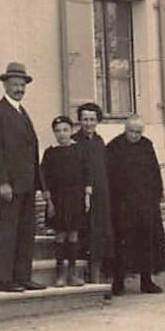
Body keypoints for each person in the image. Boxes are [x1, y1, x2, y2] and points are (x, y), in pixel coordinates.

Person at [0, 62, 45, 292]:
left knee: (27, 231)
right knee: (9, 231)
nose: (19, 88)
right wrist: (3, 182)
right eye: (15, 84)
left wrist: (38, 183)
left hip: (28, 183)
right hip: (10, 185)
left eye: (22, 84)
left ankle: (23, 276)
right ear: (5, 85)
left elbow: (32, 150)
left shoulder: (22, 112)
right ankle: (4, 279)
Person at [105, 114, 165, 295]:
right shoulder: (114, 147)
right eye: (132, 131)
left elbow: (154, 172)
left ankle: (147, 281)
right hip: (122, 205)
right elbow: (109, 177)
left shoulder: (147, 145)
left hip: (145, 204)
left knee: (146, 242)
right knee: (122, 244)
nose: (135, 135)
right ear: (125, 130)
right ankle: (118, 282)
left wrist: (157, 196)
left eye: (138, 132)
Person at [39, 115, 88, 287]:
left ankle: (72, 274)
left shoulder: (79, 150)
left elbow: (86, 174)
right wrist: (48, 200)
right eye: (58, 131)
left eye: (65, 130)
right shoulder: (50, 152)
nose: (62, 134)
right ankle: (60, 274)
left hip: (75, 198)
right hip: (58, 200)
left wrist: (87, 195)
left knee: (73, 234)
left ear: (71, 131)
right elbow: (43, 176)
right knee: (60, 235)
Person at [72, 101, 112, 286]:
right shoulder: (74, 141)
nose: (88, 123)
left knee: (99, 237)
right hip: (80, 197)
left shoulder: (99, 142)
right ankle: (80, 278)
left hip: (100, 197)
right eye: (85, 119)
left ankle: (96, 279)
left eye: (92, 119)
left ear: (97, 121)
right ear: (79, 121)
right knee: (83, 235)